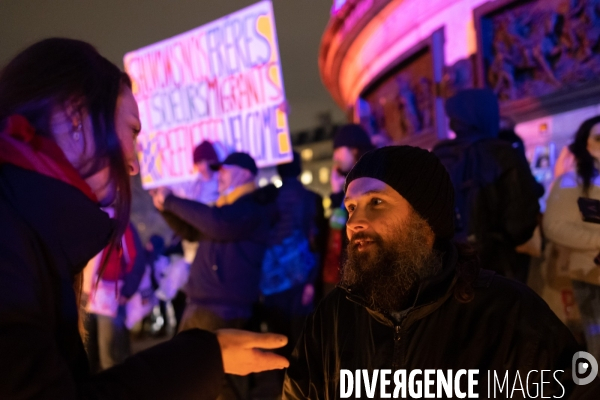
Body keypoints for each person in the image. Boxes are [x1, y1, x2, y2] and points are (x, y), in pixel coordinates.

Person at [0, 38, 288, 399]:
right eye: (133, 131)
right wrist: (169, 206)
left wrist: (201, 357)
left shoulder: (247, 208)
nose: (134, 164)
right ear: (75, 117)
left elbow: (215, 225)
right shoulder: (13, 234)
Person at [283, 146, 599, 399]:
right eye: (351, 207)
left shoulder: (509, 314)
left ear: (426, 219)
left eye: (376, 202)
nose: (354, 223)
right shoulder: (333, 317)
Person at [151, 152, 279, 400]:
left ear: (244, 174)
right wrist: (164, 207)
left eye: (225, 170)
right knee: (194, 380)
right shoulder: (227, 211)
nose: (219, 176)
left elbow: (217, 224)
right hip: (202, 307)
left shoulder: (250, 209)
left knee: (219, 385)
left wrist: (172, 201)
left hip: (222, 312)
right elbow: (191, 230)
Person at [432, 89, 540, 283]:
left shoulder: (437, 156)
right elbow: (520, 224)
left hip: (447, 268)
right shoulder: (502, 153)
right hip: (496, 270)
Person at [256, 151, 326, 396]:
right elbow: (315, 241)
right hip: (300, 278)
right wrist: (310, 282)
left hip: (272, 282)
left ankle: (284, 391)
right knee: (303, 342)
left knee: (279, 343)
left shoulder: (267, 198)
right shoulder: (310, 199)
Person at [544, 116, 600, 359]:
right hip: (591, 273)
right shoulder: (571, 181)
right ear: (586, 144)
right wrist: (596, 241)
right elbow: (555, 225)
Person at [82, 220, 146, 371]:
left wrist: (127, 290)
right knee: (86, 353)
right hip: (86, 294)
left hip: (110, 298)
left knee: (110, 355)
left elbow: (136, 259)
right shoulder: (88, 221)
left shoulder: (121, 226)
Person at [322, 124, 374, 296]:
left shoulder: (367, 179)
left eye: (338, 149)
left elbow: (353, 222)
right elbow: (336, 225)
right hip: (346, 268)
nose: (335, 156)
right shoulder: (348, 181)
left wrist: (338, 196)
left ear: (353, 150)